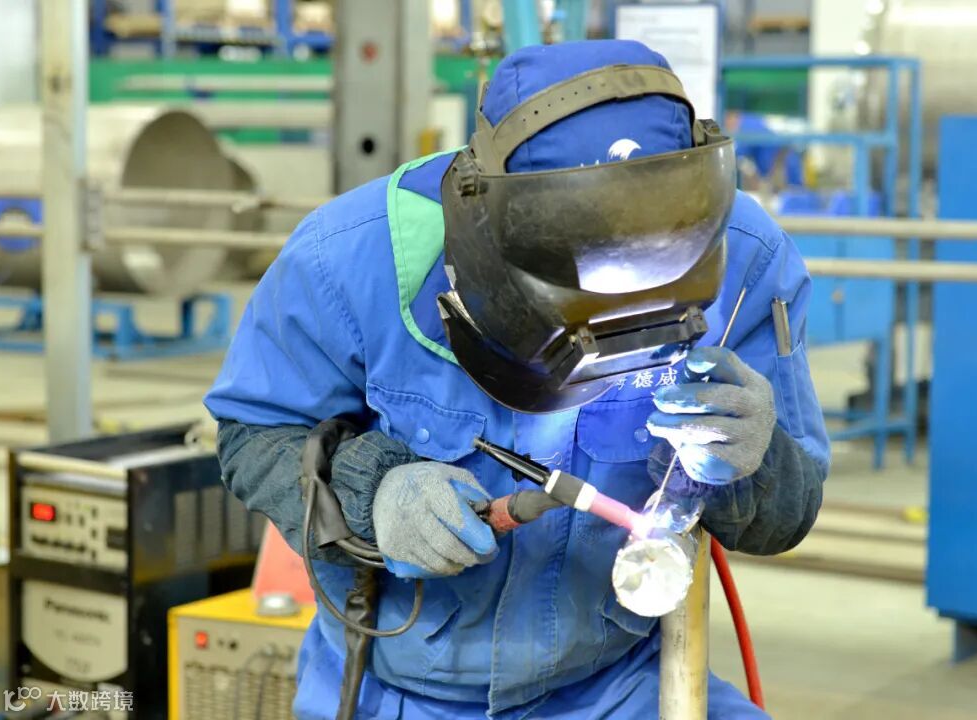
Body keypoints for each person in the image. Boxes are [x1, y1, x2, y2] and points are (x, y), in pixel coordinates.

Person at [205, 40, 829, 720]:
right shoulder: (350, 259)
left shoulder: (745, 259)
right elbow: (252, 437)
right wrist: (371, 491)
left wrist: (755, 461)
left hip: (618, 687)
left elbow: (783, 518)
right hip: (396, 695)